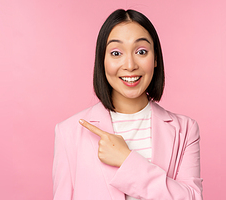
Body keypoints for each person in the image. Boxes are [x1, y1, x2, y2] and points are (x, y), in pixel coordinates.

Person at [52, 9, 202, 200]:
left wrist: (126, 160)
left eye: (141, 51)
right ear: (102, 61)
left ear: (155, 58)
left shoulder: (186, 130)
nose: (130, 65)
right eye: (116, 53)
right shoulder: (68, 132)